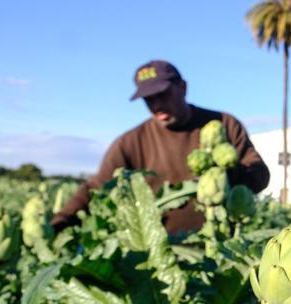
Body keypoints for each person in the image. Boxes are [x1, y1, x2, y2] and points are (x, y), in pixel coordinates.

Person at [51, 60, 270, 235]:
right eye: (148, 99)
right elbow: (97, 187)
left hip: (219, 244)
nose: (157, 105)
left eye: (163, 95)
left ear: (182, 87)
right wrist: (57, 225)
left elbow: (260, 176)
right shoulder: (131, 141)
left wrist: (224, 171)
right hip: (163, 254)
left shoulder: (223, 125)